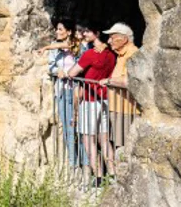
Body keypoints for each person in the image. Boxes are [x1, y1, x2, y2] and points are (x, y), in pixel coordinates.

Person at [61, 23, 116, 186]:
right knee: (104, 139)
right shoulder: (110, 54)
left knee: (88, 139)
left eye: (87, 31)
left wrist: (65, 72)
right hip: (104, 99)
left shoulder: (90, 54)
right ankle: (112, 174)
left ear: (97, 33)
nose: (84, 34)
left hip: (90, 99)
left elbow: (72, 73)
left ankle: (98, 177)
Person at [40, 20, 81, 165]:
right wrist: (58, 71)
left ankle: (86, 163)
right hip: (62, 91)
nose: (57, 32)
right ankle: (73, 163)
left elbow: (83, 64)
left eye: (60, 29)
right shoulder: (55, 48)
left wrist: (46, 47)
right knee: (67, 127)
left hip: (77, 90)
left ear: (69, 32)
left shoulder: (77, 45)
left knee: (80, 128)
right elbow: (51, 67)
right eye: (56, 29)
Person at [101, 22, 139, 149]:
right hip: (119, 107)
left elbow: (129, 80)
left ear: (124, 39)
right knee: (119, 145)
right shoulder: (121, 55)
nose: (108, 41)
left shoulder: (133, 54)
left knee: (125, 146)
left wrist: (108, 81)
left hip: (127, 109)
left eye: (112, 37)